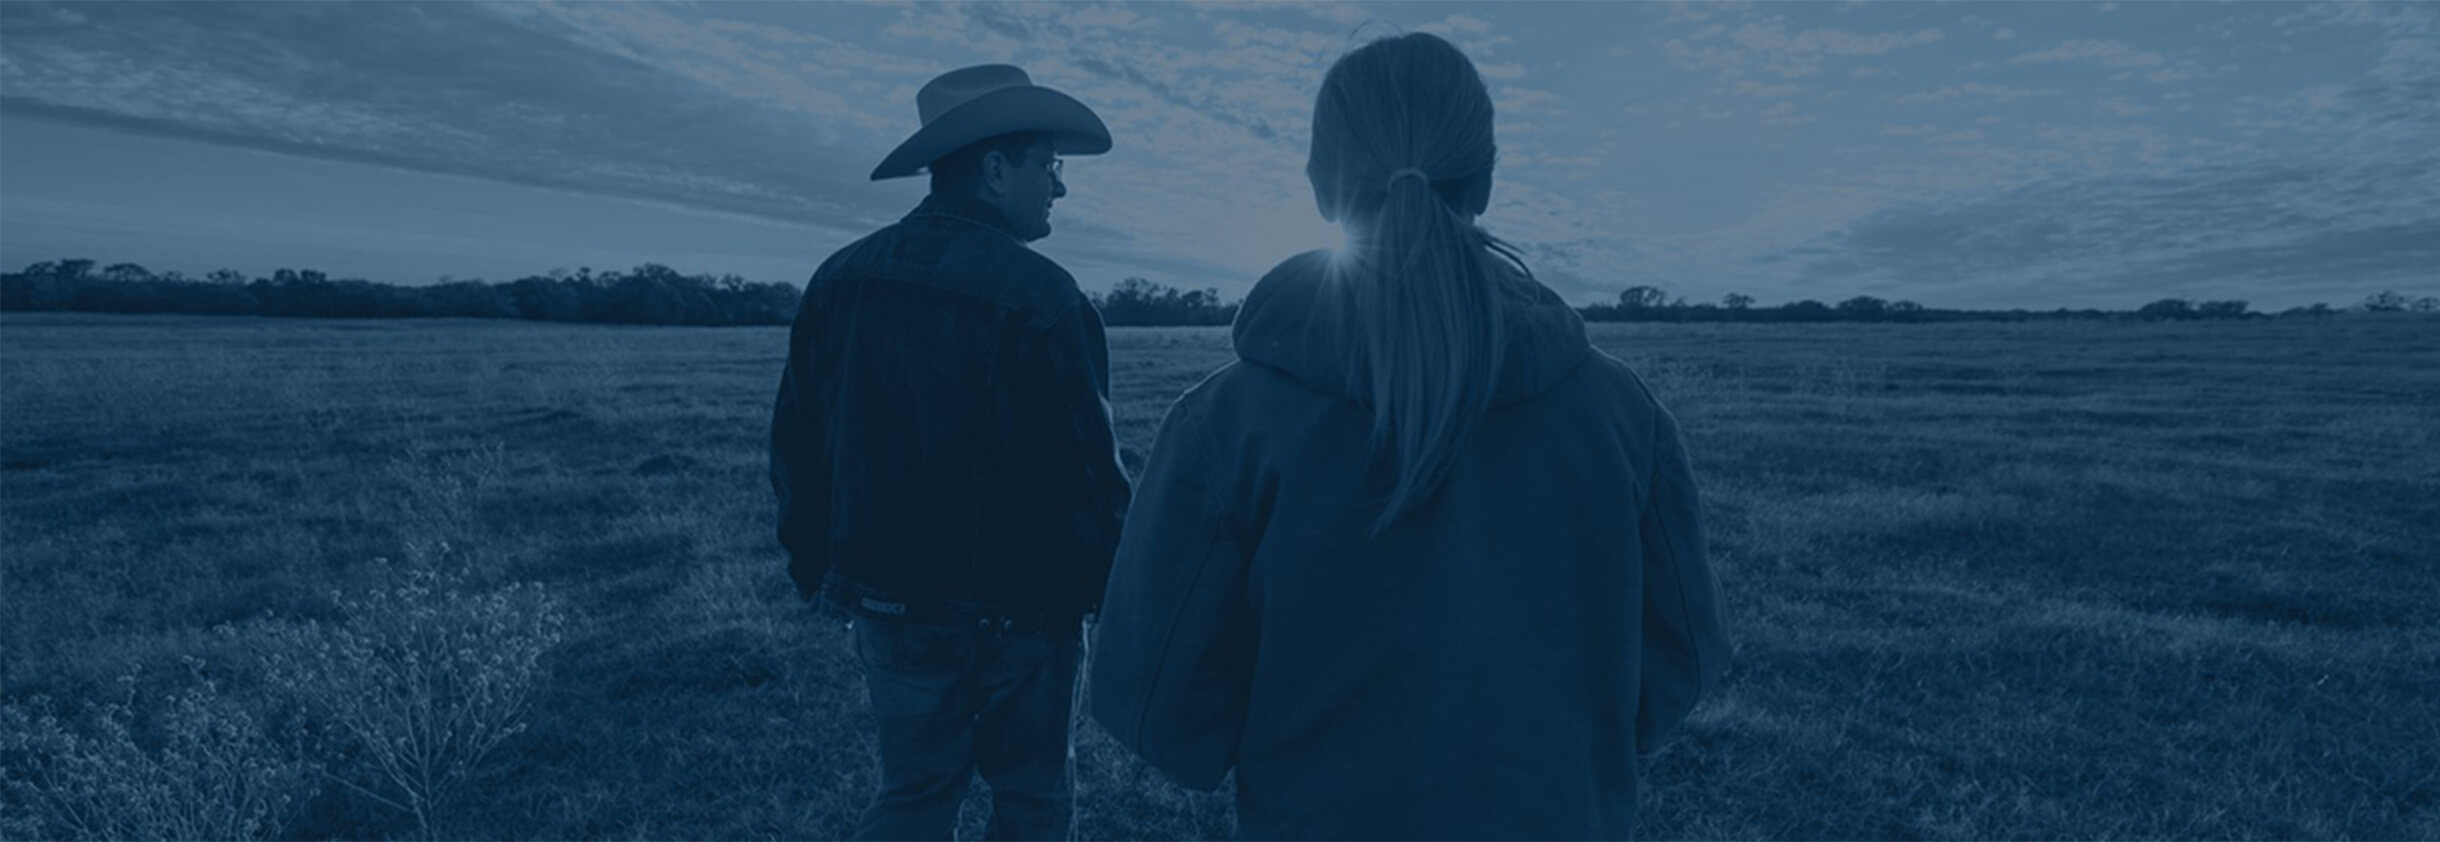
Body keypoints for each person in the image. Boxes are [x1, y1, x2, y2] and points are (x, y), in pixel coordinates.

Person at [1089, 33, 1729, 840]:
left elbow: (1160, 712)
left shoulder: (1228, 422)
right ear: (1486, 181)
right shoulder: (1622, 414)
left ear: (1322, 188)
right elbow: (1682, 662)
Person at [770, 64, 1132, 841]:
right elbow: (1089, 479)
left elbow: (799, 441)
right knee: (1032, 799)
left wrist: (816, 571)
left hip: (889, 604)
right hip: (1028, 614)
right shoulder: (1046, 297)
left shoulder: (838, 280)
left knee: (912, 795)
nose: (1060, 189)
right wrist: (1116, 595)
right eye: (1050, 166)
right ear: (997, 171)